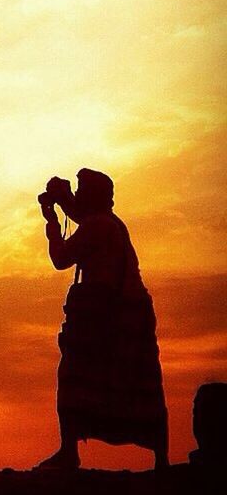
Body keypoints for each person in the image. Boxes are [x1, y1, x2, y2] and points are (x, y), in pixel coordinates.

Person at [36, 169, 168, 471]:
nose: (79, 198)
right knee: (138, 383)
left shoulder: (98, 227)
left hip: (110, 317)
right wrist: (63, 199)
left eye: (82, 192)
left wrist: (53, 223)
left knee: (75, 377)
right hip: (124, 314)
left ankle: (69, 451)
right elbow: (83, 214)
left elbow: (60, 258)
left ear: (93, 196)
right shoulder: (109, 224)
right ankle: (160, 457)